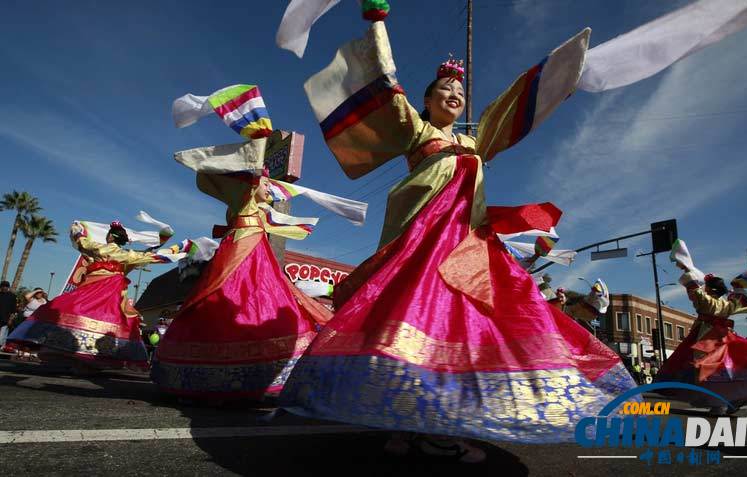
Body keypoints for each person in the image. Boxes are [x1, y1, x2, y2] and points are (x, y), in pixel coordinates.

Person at [279, 21, 636, 463]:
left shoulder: (472, 141)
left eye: (459, 92)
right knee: (410, 325)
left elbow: (507, 114)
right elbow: (388, 85)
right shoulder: (419, 133)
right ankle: (409, 424)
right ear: (426, 102)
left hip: (465, 246)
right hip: (422, 240)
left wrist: (555, 78)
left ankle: (434, 422)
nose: (454, 95)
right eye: (444, 90)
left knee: (463, 325)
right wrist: (377, 24)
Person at [151, 136, 344, 403]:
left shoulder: (258, 208)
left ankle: (259, 376)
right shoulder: (242, 199)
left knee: (262, 303)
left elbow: (279, 220)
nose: (270, 188)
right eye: (265, 183)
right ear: (252, 183)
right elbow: (212, 175)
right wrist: (258, 141)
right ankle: (221, 379)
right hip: (240, 254)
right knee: (231, 302)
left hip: (256, 256)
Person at [6, 221, 178, 373]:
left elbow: (81, 241)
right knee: (109, 325)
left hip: (92, 291)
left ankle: (78, 360)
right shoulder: (128, 255)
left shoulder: (99, 248)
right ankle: (88, 362)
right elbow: (152, 256)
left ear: (111, 237)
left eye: (109, 234)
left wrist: (78, 228)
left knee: (64, 310)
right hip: (109, 297)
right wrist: (178, 248)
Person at [657, 251, 747, 415]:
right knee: (725, 370)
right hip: (723, 337)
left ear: (711, 290)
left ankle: (720, 404)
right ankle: (727, 401)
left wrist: (687, 270)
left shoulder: (710, 303)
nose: (705, 289)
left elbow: (696, 293)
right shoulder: (729, 302)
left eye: (707, 287)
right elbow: (698, 293)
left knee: (711, 370)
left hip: (709, 338)